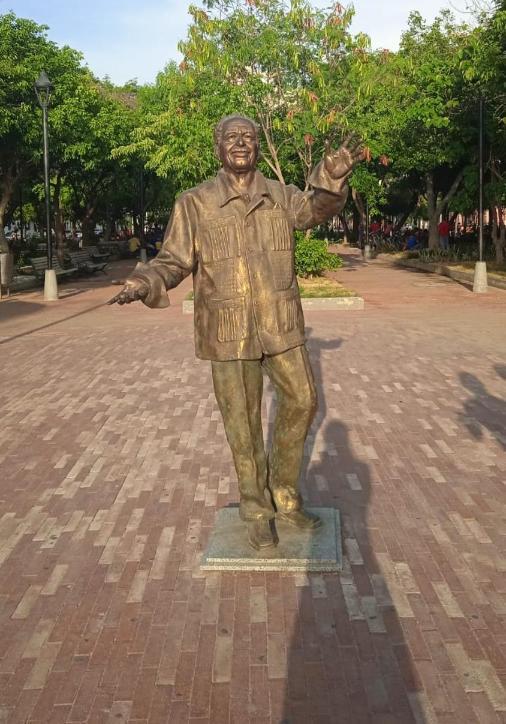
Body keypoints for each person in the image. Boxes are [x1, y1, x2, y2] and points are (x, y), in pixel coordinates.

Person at [110, 115, 363, 551]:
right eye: (232, 137)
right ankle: (255, 508)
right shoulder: (195, 202)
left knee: (303, 400)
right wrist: (145, 281)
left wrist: (331, 179)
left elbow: (317, 209)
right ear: (218, 147)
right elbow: (173, 261)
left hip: (279, 321)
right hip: (227, 328)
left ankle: (285, 495)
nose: (241, 143)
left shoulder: (280, 196)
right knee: (242, 424)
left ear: (259, 147)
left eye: (249, 136)